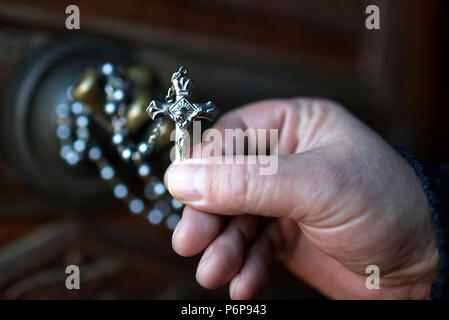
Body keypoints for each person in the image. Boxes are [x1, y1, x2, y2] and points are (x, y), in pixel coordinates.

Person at [163, 98, 449, 299]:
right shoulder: (176, 107)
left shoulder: (190, 108)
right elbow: (160, 108)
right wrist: (419, 275)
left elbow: (201, 110)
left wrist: (425, 257)